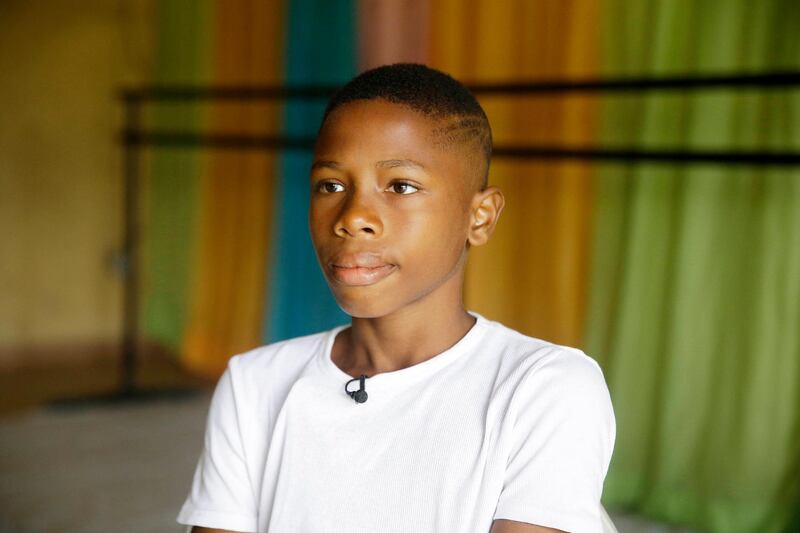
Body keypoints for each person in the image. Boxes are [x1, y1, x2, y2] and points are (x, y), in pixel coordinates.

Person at [177, 63, 615, 533]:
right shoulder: (255, 384)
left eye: (401, 186)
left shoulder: (544, 388)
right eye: (331, 185)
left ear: (481, 217)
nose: (354, 217)